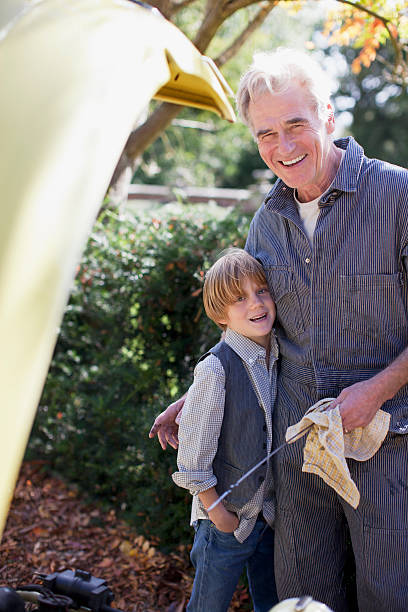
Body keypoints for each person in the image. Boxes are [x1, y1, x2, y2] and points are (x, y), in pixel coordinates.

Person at [150, 48, 408, 612]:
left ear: (328, 117)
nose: (284, 148)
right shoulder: (266, 221)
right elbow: (252, 330)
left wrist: (376, 390)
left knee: (389, 596)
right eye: (267, 134)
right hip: (293, 453)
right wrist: (196, 396)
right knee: (301, 599)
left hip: (388, 448)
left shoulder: (398, 198)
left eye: (296, 125)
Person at [172, 248, 278, 612]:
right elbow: (192, 454)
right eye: (239, 298)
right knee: (207, 606)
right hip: (226, 521)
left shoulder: (277, 353)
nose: (256, 303)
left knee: (270, 600)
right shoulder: (216, 369)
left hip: (267, 514)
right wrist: (219, 514)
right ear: (220, 314)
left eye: (261, 290)